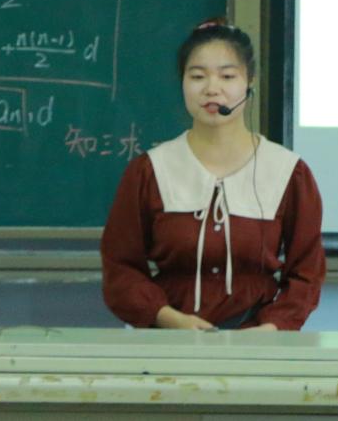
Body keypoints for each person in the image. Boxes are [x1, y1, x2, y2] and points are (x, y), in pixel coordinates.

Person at [101, 18, 325, 330]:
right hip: (169, 340)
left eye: (227, 76)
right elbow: (120, 267)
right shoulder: (150, 170)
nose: (211, 89)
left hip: (258, 342)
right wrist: (168, 319)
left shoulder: (288, 172)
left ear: (249, 82)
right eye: (197, 76)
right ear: (182, 82)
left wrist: (272, 327)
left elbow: (307, 271)